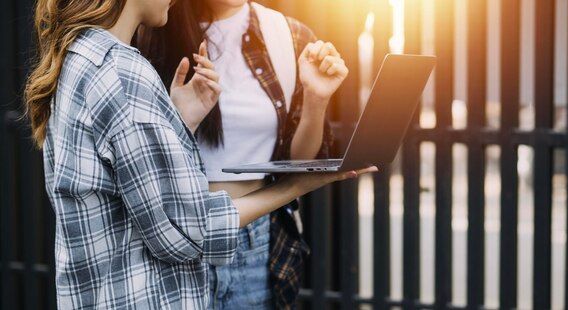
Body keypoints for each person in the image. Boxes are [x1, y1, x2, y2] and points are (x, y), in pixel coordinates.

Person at [23, 0, 375, 308]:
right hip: (175, 251)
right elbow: (183, 232)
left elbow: (128, 168)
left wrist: (181, 121)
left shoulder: (83, 57)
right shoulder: (131, 61)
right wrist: (295, 186)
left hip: (241, 241)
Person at [136, 0, 347, 308]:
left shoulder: (288, 35)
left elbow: (299, 161)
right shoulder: (153, 28)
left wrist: (316, 100)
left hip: (253, 243)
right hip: (171, 240)